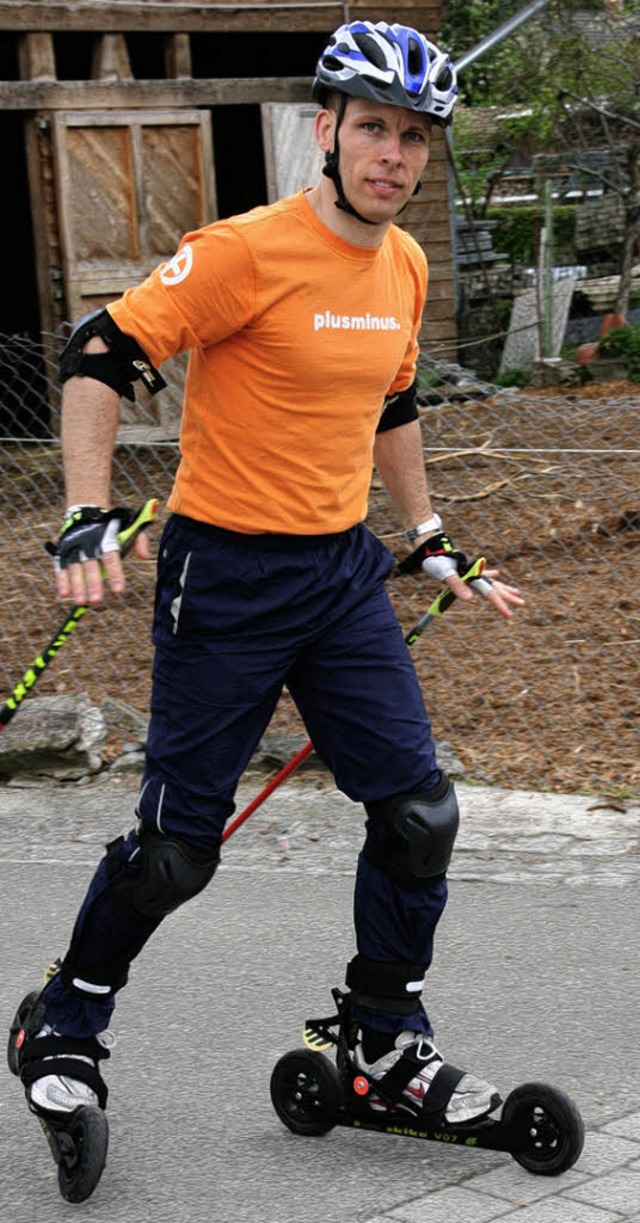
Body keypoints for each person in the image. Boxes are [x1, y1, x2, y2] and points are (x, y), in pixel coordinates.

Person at [16, 20, 525, 1130]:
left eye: (412, 136)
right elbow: (98, 353)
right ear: (327, 132)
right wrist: (85, 511)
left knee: (420, 814)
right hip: (227, 575)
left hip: (340, 576)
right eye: (373, 129)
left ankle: (381, 1040)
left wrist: (426, 529)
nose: (393, 153)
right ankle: (64, 1017)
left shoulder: (403, 260)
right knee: (176, 850)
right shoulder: (245, 248)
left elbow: (388, 401)